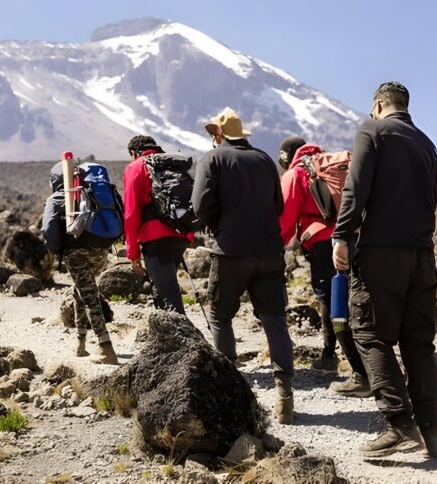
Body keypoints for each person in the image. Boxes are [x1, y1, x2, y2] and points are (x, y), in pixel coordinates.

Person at [332, 82, 437, 457]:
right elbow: (433, 198)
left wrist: (342, 235)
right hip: (422, 254)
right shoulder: (427, 143)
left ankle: (398, 425)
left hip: (382, 252)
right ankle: (431, 433)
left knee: (369, 334)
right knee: (418, 342)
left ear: (378, 105)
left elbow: (356, 186)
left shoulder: (373, 131)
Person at [192, 109, 294, 424]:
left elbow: (200, 205)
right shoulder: (264, 160)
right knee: (274, 319)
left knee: (220, 317)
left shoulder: (213, 159)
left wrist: (218, 225)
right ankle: (285, 397)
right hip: (269, 251)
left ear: (219, 134)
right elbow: (279, 204)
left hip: (230, 251)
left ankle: (229, 392)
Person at [278, 136, 371, 398]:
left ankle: (360, 375)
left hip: (324, 246)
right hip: (357, 238)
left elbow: (285, 219)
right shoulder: (336, 167)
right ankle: (340, 357)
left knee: (334, 304)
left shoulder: (297, 174)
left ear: (286, 158)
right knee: (357, 300)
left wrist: (275, 248)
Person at [41, 162, 119, 364]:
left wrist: (56, 250)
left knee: (90, 296)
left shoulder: (57, 198)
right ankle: (80, 343)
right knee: (81, 291)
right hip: (101, 251)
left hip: (75, 254)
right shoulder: (92, 193)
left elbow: (48, 229)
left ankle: (106, 348)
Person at [123, 135, 192, 315]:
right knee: (162, 289)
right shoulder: (171, 165)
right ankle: (166, 337)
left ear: (133, 153)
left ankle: (183, 340)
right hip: (180, 236)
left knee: (168, 295)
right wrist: (188, 235)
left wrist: (133, 253)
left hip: (155, 240)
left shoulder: (136, 167)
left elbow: (131, 213)